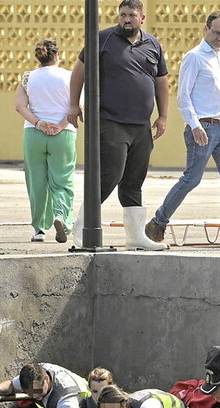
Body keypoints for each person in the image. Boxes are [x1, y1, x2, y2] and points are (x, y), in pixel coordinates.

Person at [145, 10, 220, 251]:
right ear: (205, 29)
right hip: (203, 127)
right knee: (192, 179)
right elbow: (183, 97)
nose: (219, 38)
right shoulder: (194, 57)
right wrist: (194, 126)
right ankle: (157, 223)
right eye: (216, 32)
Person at [67, 0, 169, 251]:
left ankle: (135, 236)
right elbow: (78, 71)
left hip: (141, 125)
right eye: (123, 14)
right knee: (109, 175)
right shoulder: (102, 39)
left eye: (131, 15)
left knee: (134, 180)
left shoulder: (152, 44)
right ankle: (82, 229)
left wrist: (163, 115)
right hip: (111, 121)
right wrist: (72, 104)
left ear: (142, 18)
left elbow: (161, 82)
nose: (126, 19)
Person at [14, 39, 76, 244]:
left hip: (34, 134)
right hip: (63, 135)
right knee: (62, 180)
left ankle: (39, 230)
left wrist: (39, 123)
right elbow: (78, 106)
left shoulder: (27, 78)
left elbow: (20, 106)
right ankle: (60, 217)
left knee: (37, 182)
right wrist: (61, 125)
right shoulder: (70, 77)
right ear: (58, 55)